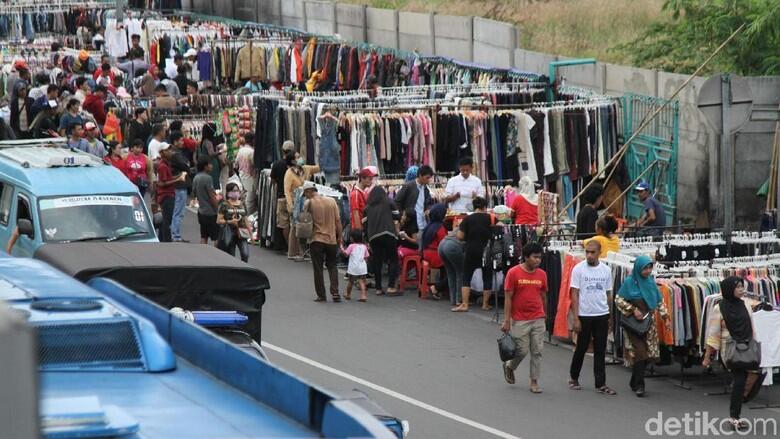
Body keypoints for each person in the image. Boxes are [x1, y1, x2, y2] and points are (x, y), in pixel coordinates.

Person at [702, 277, 759, 431]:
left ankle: (739, 400)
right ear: (729, 289)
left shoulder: (746, 304)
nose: (741, 289)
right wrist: (708, 356)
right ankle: (734, 416)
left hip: (747, 346)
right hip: (731, 349)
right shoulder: (719, 308)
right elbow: (713, 335)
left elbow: (751, 326)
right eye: (738, 287)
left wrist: (754, 344)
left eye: (742, 286)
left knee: (754, 375)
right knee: (740, 378)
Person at [615, 255, 671, 397]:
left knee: (648, 355)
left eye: (649, 267)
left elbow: (659, 301)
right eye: (644, 268)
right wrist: (633, 309)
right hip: (633, 325)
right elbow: (618, 299)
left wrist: (666, 318)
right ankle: (640, 385)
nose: (647, 271)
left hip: (648, 324)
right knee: (641, 352)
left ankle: (634, 380)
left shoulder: (651, 283)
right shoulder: (629, 282)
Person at [568, 240, 617, 396]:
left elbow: (609, 294)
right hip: (584, 315)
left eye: (592, 252)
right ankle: (574, 377)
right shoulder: (578, 269)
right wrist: (576, 318)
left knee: (600, 350)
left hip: (601, 314)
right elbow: (574, 294)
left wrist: (610, 316)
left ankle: (600, 383)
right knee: (581, 347)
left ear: (599, 252)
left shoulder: (606, 270)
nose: (589, 255)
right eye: (587, 252)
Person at [501, 242, 548, 394]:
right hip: (520, 319)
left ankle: (534, 381)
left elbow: (543, 295)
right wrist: (507, 320)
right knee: (521, 350)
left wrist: (545, 314)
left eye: (540, 258)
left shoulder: (542, 274)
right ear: (526, 257)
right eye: (535, 257)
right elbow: (508, 298)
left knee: (537, 351)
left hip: (538, 317)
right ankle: (510, 366)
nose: (538, 260)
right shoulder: (513, 273)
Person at [303, 181, 343, 302]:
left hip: (317, 239)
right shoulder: (331, 201)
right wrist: (339, 237)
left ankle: (321, 295)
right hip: (331, 239)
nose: (305, 196)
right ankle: (335, 292)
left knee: (318, 268)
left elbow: (305, 221)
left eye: (305, 193)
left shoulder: (309, 203)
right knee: (332, 266)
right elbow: (338, 222)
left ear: (309, 191)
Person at [452, 197, 493, 312]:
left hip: (471, 250)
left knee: (467, 276)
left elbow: (459, 236)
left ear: (474, 207)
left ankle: (465, 304)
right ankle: (485, 304)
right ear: (485, 207)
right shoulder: (490, 218)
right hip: (486, 250)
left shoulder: (467, 219)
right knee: (487, 276)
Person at [363, 186, 400, 296]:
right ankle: (391, 287)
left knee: (377, 261)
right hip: (388, 233)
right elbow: (397, 216)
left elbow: (364, 225)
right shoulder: (389, 201)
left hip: (373, 236)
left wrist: (367, 239)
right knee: (393, 259)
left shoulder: (367, 207)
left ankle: (378, 288)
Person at [284, 151, 320, 260]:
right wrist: (290, 205)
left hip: (307, 201)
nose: (300, 158)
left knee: (306, 224)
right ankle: (293, 251)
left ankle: (303, 250)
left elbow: (317, 168)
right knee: (295, 226)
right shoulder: (289, 173)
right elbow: (287, 190)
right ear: (293, 161)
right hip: (296, 203)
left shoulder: (305, 169)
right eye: (298, 157)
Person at [156, 143, 185, 242]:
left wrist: (178, 176)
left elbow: (167, 178)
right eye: (167, 150)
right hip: (166, 195)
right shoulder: (162, 166)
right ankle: (166, 240)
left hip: (168, 194)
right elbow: (163, 183)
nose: (170, 152)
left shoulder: (166, 164)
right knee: (167, 220)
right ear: (162, 152)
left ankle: (162, 239)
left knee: (166, 219)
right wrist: (177, 180)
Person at [217, 182, 251, 262]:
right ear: (228, 192)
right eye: (233, 190)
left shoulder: (242, 204)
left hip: (241, 233)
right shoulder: (224, 205)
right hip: (230, 233)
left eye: (237, 190)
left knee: (245, 254)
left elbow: (245, 219)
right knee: (231, 256)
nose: (235, 192)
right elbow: (219, 220)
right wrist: (229, 221)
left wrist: (251, 234)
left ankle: (244, 270)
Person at [394, 164, 434, 232]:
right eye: (427, 178)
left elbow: (428, 203)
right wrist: (403, 215)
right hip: (410, 225)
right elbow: (397, 201)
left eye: (429, 178)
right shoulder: (408, 186)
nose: (429, 180)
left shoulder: (426, 189)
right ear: (420, 176)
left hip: (423, 224)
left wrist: (428, 209)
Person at [271, 141, 296, 248]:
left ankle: (289, 246)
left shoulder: (277, 164)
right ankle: (296, 246)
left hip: (282, 196)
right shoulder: (297, 165)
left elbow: (273, 180)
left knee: (284, 223)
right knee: (294, 223)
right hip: (295, 197)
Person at [421, 203, 448, 300]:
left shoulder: (428, 226)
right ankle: (436, 288)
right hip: (435, 255)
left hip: (426, 253)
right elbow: (444, 242)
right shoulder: (440, 227)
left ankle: (434, 286)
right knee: (452, 269)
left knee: (436, 268)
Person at [193, 156, 221, 246]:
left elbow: (194, 193)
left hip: (201, 211)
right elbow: (212, 197)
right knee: (216, 237)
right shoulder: (208, 178)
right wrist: (218, 210)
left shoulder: (196, 177)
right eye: (210, 164)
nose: (211, 166)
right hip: (211, 213)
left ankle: (203, 254)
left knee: (204, 236)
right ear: (205, 166)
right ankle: (216, 254)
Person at [169, 132, 191, 243]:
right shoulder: (176, 154)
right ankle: (175, 235)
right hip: (179, 185)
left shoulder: (173, 152)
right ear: (175, 141)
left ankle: (175, 234)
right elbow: (185, 166)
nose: (183, 142)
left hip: (178, 185)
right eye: (181, 140)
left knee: (177, 211)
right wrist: (188, 165)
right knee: (178, 211)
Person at [438, 228, 466, 306]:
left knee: (450, 273)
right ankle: (459, 300)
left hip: (442, 244)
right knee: (460, 272)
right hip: (452, 245)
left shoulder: (463, 223)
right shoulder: (474, 226)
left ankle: (453, 300)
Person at [342, 229, 370, 302]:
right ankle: (363, 295)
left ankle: (348, 294)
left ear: (352, 238)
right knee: (361, 281)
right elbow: (366, 257)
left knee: (351, 281)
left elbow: (346, 254)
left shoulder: (351, 246)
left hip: (353, 268)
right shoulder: (364, 246)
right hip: (362, 267)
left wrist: (342, 249)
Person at [235, 132, 257, 215]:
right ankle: (247, 218)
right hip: (250, 178)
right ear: (252, 140)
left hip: (242, 176)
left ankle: (242, 215)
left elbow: (236, 164)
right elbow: (254, 165)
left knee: (244, 198)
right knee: (250, 201)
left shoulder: (241, 150)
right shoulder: (252, 152)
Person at [349, 166, 377, 231]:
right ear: (362, 179)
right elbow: (355, 213)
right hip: (359, 230)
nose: (371, 181)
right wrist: (359, 231)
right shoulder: (356, 193)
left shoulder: (361, 193)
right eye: (369, 179)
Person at [199, 123, 224, 190]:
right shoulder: (208, 142)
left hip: (207, 162)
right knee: (214, 181)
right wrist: (220, 152)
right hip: (212, 163)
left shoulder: (204, 141)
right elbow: (211, 153)